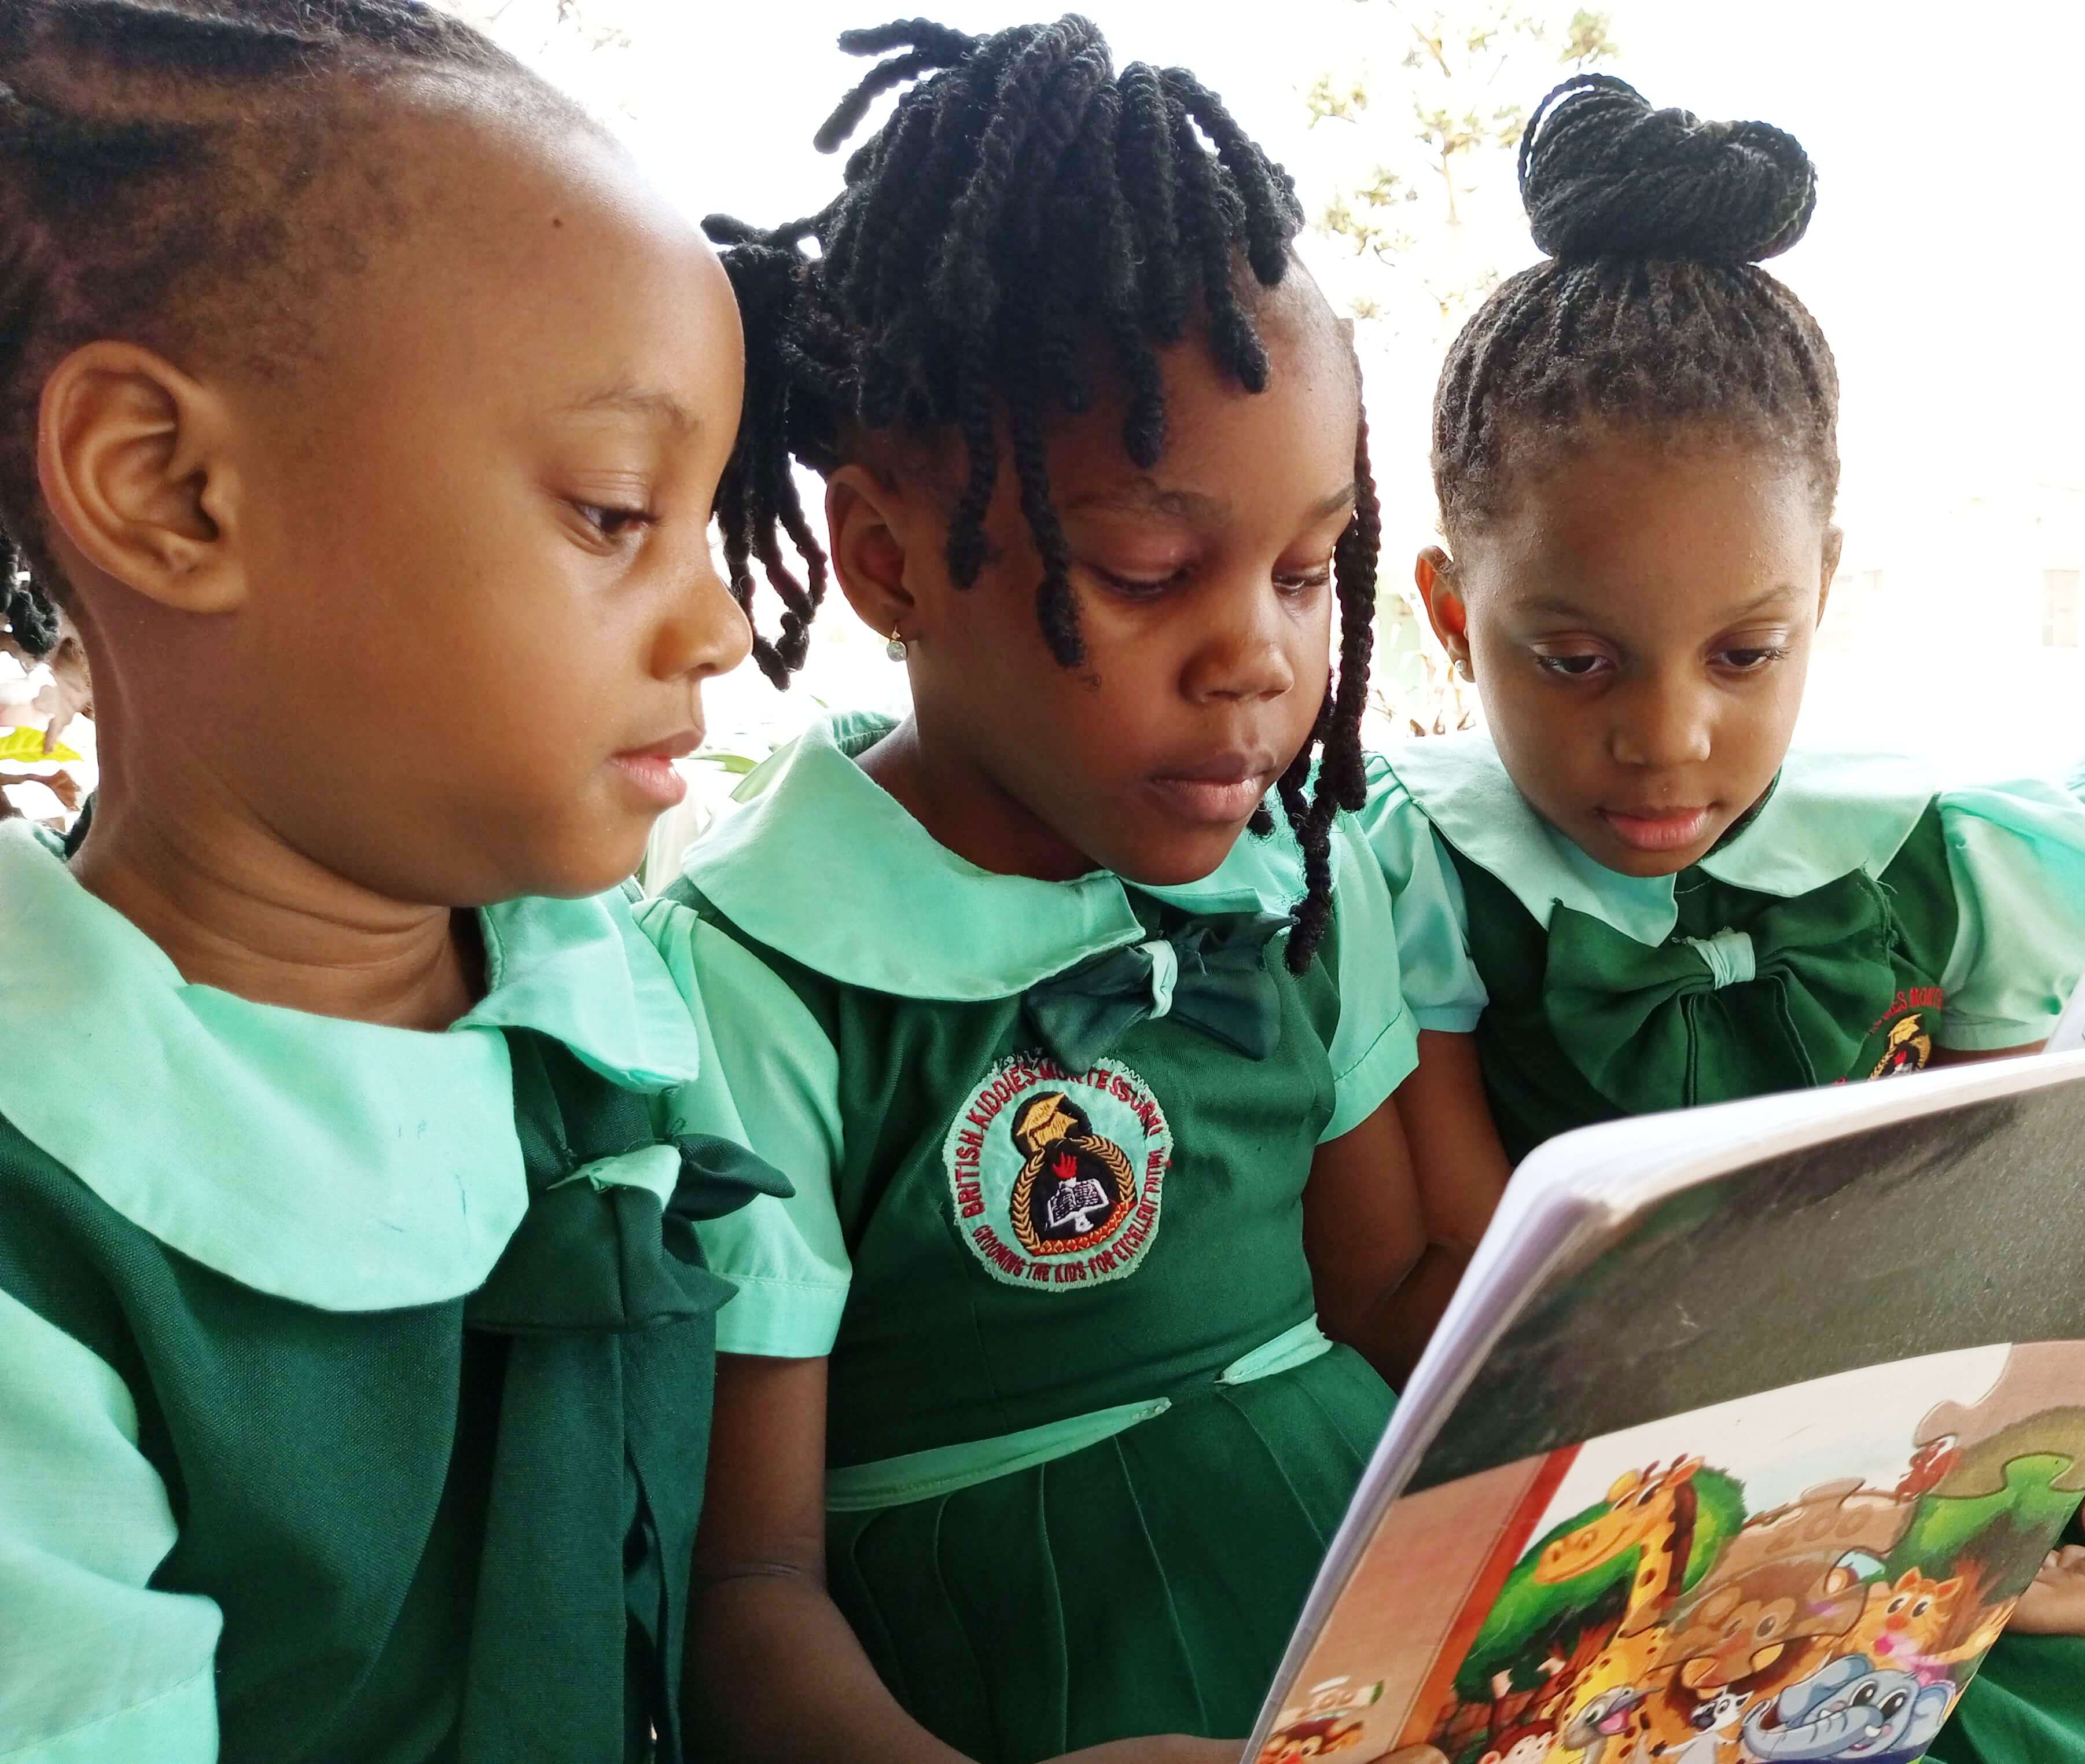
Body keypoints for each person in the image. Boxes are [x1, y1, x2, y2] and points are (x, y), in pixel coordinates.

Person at [636, 19, 1501, 1762]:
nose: (1259, 660)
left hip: (1379, 1637)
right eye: (1149, 570)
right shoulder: (762, 974)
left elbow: (1387, 1293)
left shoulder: (1301, 876)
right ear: (885, 561)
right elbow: (743, 1591)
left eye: (1306, 570)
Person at [0, 3, 767, 1757]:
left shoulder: (608, 1009)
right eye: (614, 511)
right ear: (168, 489)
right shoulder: (45, 1239)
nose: (722, 625)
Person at [1355, 74, 2085, 1763]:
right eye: (1575, 660)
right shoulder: (1423, 878)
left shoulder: (1951, 863)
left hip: (1902, 1519)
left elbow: (1993, 1262)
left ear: (1820, 586)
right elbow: (1456, 1294)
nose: (1669, 737)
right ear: (1452, 612)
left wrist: (1992, 1513)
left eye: (1745, 653)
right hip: (1583, 1529)